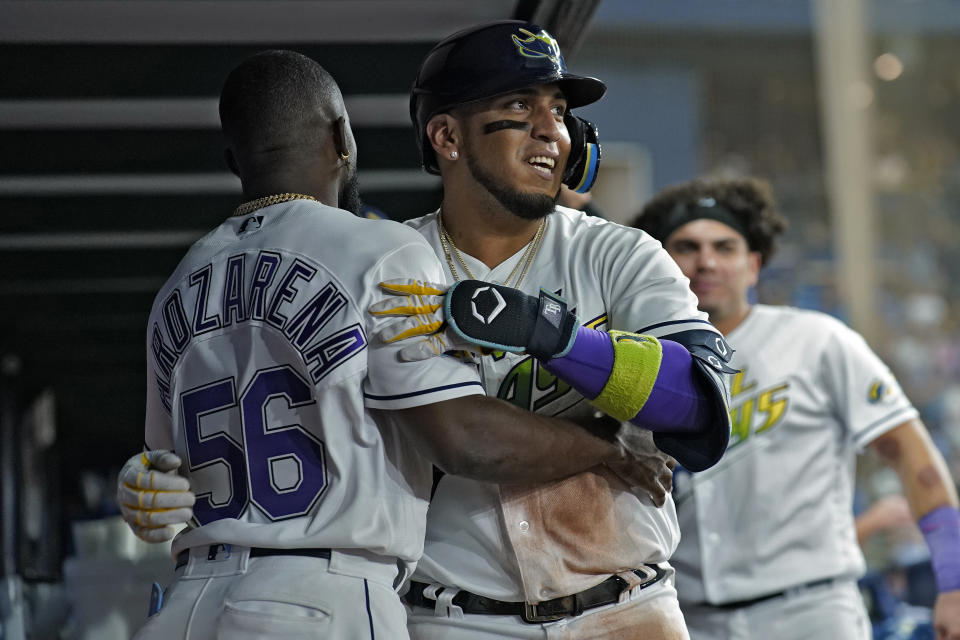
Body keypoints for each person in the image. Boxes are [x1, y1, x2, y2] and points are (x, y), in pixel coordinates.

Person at [123, 49, 665, 640]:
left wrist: (143, 485)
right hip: (322, 593)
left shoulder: (178, 283)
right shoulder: (381, 250)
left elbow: (162, 471)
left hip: (186, 601)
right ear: (342, 137)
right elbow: (464, 438)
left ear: (233, 159)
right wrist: (607, 448)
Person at [369, 20, 734, 639]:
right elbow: (454, 439)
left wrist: (549, 332)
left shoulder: (619, 254)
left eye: (560, 111)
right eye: (519, 106)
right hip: (454, 619)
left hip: (628, 609)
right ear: (447, 136)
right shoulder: (387, 263)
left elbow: (696, 404)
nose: (551, 130)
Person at [631, 177, 960, 640]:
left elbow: (912, 455)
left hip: (812, 611)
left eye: (724, 247)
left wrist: (955, 582)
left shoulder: (818, 341)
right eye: (686, 247)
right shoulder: (632, 366)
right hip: (686, 617)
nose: (706, 261)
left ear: (754, 265)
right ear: (660, 263)